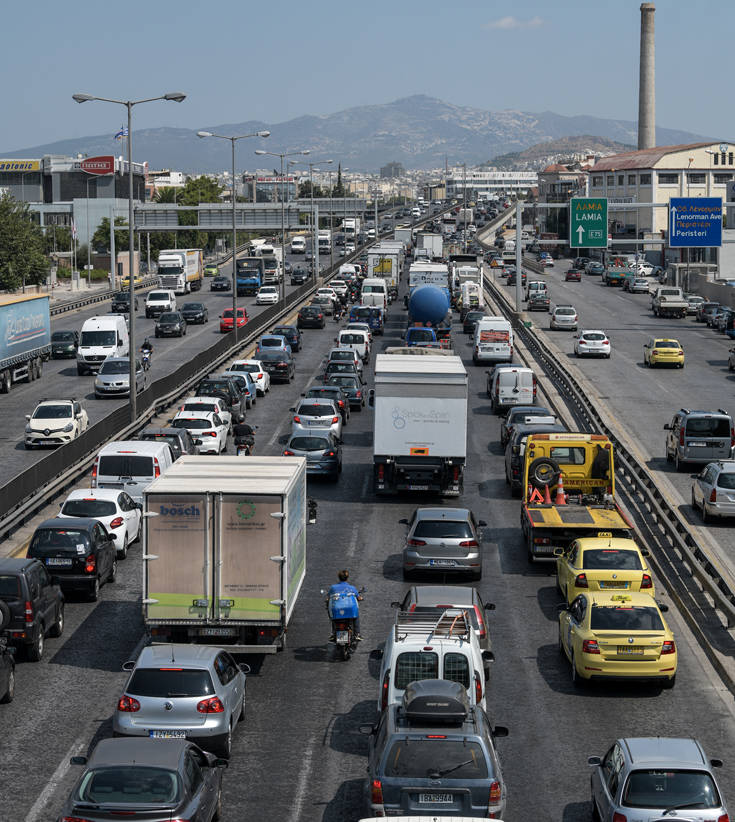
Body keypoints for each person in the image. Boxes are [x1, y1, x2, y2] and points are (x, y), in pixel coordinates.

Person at [326, 569, 362, 641]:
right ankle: (357, 633)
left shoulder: (333, 588)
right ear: (347, 577)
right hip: (350, 610)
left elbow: (328, 597)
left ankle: (333, 633)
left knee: (333, 618)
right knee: (356, 616)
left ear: (339, 577)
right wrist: (360, 598)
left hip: (337, 610)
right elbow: (358, 597)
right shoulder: (352, 588)